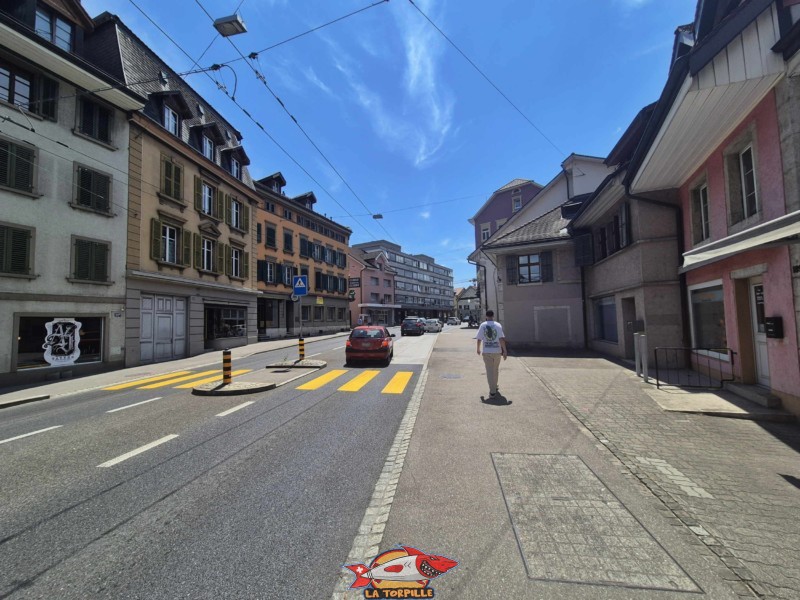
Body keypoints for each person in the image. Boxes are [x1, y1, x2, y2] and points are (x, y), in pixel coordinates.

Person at [475, 310, 507, 397]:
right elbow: (501, 339)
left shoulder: (483, 325)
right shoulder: (498, 325)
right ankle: (494, 386)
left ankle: (492, 391)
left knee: (489, 371)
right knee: (495, 370)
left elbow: (479, 338)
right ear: (493, 316)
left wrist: (478, 349)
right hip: (497, 351)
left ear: (486, 316)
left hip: (487, 351)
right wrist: (505, 351)